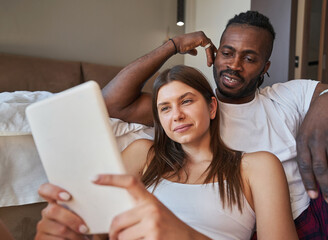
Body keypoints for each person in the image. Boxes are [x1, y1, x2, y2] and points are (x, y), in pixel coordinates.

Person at [100, 11, 328, 239]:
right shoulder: (192, 104)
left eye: (249, 59)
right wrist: (173, 45)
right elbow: (111, 105)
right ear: (214, 54)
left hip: (299, 213)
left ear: (265, 67)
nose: (234, 65)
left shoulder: (287, 97)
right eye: (227, 53)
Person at [35, 65, 298, 240]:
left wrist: (182, 234)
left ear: (212, 108)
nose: (177, 115)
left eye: (186, 101)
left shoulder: (257, 166)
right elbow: (96, 229)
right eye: (165, 108)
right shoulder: (143, 154)